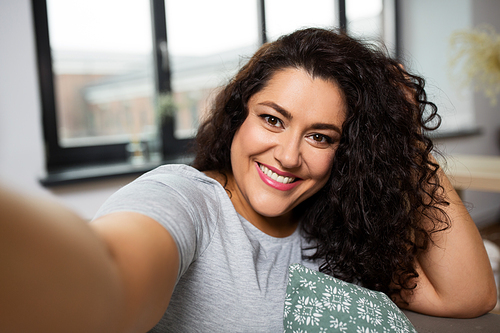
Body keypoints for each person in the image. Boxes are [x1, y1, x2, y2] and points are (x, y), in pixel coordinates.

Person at [0, 28, 497, 333]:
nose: (288, 155)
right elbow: (109, 277)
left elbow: (468, 296)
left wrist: (405, 138)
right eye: (273, 119)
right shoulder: (184, 198)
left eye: (321, 136)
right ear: (240, 115)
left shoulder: (335, 229)